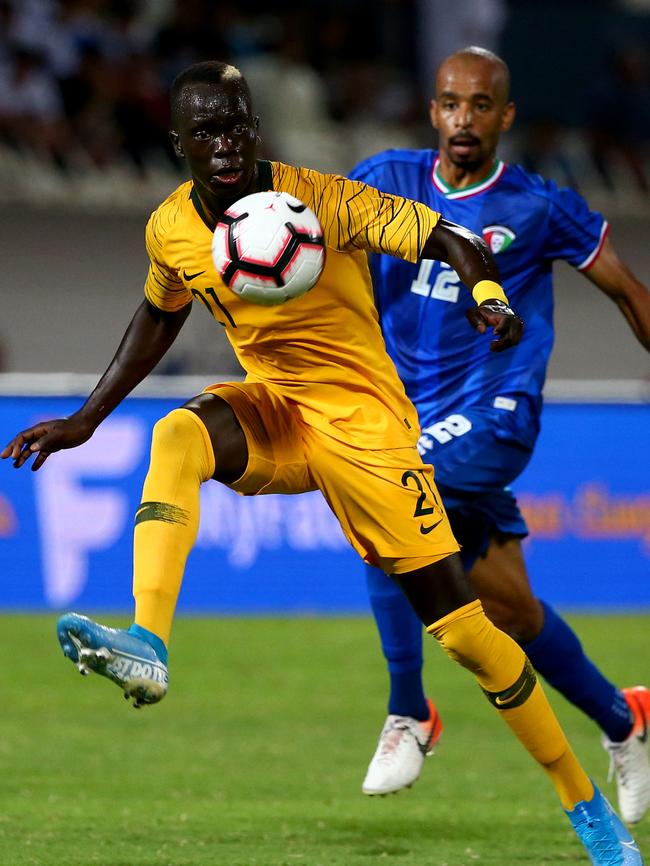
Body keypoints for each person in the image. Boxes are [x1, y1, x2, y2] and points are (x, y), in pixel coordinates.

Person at [1, 61, 643, 865]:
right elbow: (158, 313)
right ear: (179, 144)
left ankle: (586, 807)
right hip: (278, 414)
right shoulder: (170, 228)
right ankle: (149, 645)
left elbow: (445, 236)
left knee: (470, 634)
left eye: (237, 125)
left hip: (369, 431)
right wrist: (86, 420)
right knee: (177, 435)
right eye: (206, 131)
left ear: (255, 128)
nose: (226, 143)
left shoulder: (324, 200)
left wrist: (488, 295)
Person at [348, 46, 650, 825]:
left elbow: (624, 287)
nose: (463, 119)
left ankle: (410, 710)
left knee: (387, 493)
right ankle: (626, 720)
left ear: (505, 116)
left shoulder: (539, 206)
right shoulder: (385, 179)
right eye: (450, 103)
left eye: (480, 105)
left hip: (497, 414)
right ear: (432, 111)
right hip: (415, 420)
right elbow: (311, 240)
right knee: (511, 609)